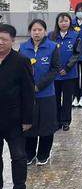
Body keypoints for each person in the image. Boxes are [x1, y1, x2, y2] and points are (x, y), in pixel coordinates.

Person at [0, 23, 34, 189]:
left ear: (13, 41)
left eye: (4, 39)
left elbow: (28, 92)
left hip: (15, 120)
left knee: (19, 157)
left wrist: (27, 119)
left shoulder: (21, 61)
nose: (0, 43)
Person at [20, 19, 61, 167]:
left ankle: (44, 154)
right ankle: (29, 154)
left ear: (45, 31)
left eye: (40, 30)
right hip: (28, 94)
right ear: (30, 32)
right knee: (29, 124)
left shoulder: (52, 47)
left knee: (46, 125)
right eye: (34, 30)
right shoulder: (23, 47)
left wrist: (39, 86)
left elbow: (55, 69)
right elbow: (20, 69)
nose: (37, 33)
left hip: (46, 93)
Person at [49, 13, 80, 131]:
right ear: (57, 23)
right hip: (55, 75)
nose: (63, 23)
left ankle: (66, 121)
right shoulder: (51, 36)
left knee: (67, 99)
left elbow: (76, 54)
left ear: (69, 22)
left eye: (66, 21)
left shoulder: (75, 35)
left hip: (69, 74)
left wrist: (67, 68)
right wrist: (56, 68)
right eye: (61, 21)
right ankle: (56, 121)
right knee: (55, 98)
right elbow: (48, 52)